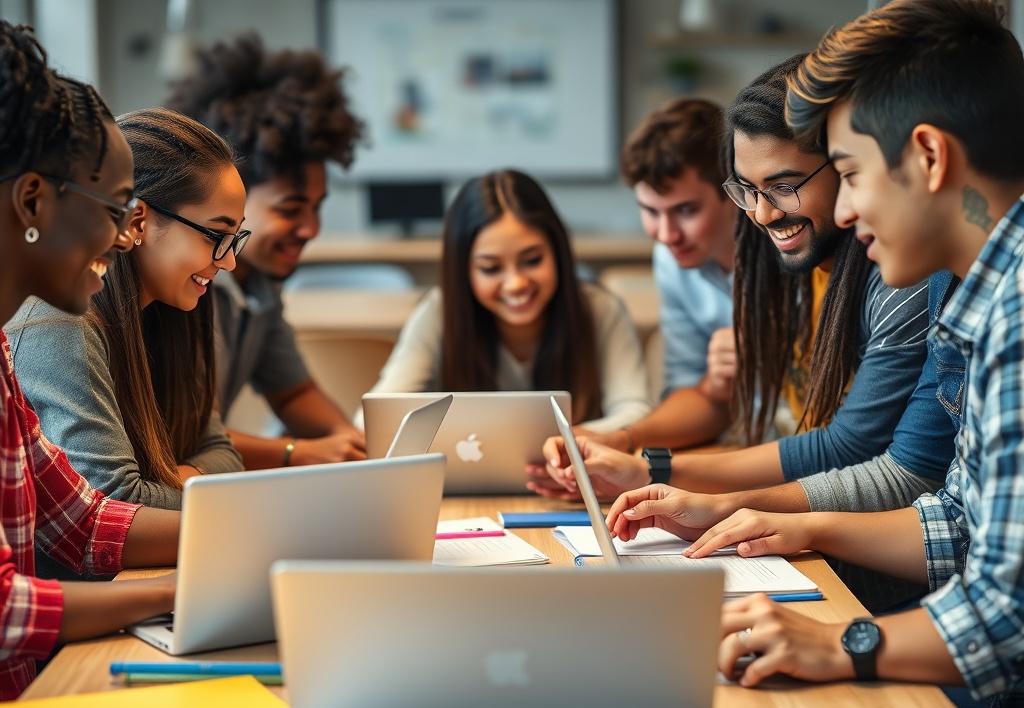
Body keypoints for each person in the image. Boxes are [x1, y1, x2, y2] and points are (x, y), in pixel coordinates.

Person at [618, 0, 1024, 708]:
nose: (841, 208)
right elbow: (959, 526)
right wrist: (794, 524)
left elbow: (1006, 616)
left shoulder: (1017, 313)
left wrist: (843, 643)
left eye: (849, 174)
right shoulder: (985, 297)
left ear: (929, 158)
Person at [533, 56, 952, 515]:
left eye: (783, 186)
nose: (762, 214)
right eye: (748, 191)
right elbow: (717, 399)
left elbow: (856, 452)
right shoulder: (785, 252)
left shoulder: (895, 275)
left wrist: (662, 473)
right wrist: (636, 451)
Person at [0, 22, 178, 698]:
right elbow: (5, 613)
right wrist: (178, 590)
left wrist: (257, 537)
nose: (127, 234)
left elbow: (80, 520)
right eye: (116, 207)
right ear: (34, 201)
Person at [7, 108, 246, 510]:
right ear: (137, 221)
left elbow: (223, 452)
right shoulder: (60, 321)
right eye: (216, 236)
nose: (229, 262)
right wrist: (194, 482)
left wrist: (186, 481)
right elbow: (112, 504)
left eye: (235, 238)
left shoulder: (173, 311)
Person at [165, 35, 368, 469]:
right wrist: (297, 454)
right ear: (232, 199)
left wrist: (352, 446)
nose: (311, 229)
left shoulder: (259, 285)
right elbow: (181, 431)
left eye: (317, 207)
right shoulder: (181, 287)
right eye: (291, 209)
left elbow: (292, 391)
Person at [366, 169, 651, 432]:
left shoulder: (599, 309)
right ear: (463, 271)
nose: (515, 284)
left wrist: (573, 442)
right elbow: (377, 416)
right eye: (490, 268)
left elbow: (636, 410)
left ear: (558, 252)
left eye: (532, 260)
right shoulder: (439, 312)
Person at [588, 98, 738, 453]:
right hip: (743, 445)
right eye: (650, 211)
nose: (667, 234)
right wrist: (621, 440)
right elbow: (703, 397)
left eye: (686, 210)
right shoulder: (670, 260)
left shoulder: (791, 247)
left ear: (734, 193)